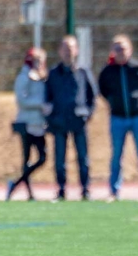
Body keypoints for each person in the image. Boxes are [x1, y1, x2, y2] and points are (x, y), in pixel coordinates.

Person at [98, 35, 138, 201]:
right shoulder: (107, 72)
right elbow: (103, 90)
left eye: (123, 48)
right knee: (117, 155)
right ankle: (114, 191)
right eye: (117, 49)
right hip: (117, 118)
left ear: (130, 50)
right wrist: (114, 102)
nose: (120, 52)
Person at [44, 35, 97, 201]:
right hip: (59, 121)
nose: (68, 52)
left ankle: (85, 189)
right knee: (59, 158)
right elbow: (47, 96)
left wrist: (87, 113)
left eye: (71, 48)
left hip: (78, 120)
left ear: (77, 50)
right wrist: (50, 116)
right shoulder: (53, 73)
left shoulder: (83, 72)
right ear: (60, 51)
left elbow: (92, 94)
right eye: (65, 48)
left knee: (83, 157)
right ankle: (61, 189)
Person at [7, 48, 48, 201]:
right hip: (26, 123)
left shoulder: (42, 76)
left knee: (43, 157)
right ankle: (29, 193)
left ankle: (16, 183)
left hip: (39, 124)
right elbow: (21, 100)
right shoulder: (24, 76)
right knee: (27, 159)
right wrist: (40, 105)